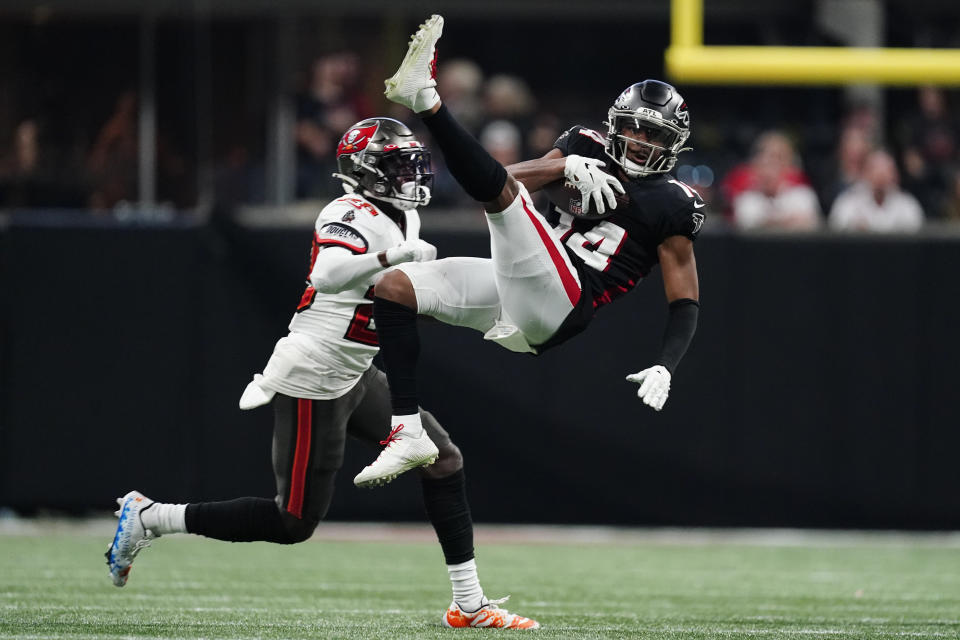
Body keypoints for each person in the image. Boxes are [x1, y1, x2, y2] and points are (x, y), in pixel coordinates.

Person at [104, 117, 539, 631]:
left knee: (443, 460)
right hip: (318, 374)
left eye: (411, 164)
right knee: (292, 521)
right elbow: (326, 273)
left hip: (357, 369)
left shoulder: (401, 214)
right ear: (365, 171)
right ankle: (150, 517)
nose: (409, 176)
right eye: (397, 166)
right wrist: (392, 254)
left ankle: (468, 604)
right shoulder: (348, 210)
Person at [352, 15, 704, 491]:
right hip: (519, 284)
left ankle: (427, 102)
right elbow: (509, 174)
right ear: (615, 125)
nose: (642, 142)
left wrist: (667, 363)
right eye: (635, 129)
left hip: (565, 302)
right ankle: (407, 429)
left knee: (504, 203)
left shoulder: (675, 203)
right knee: (394, 289)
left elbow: (684, 297)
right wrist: (568, 165)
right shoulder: (584, 145)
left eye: (654, 136)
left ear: (673, 144)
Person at [729, 131, 821, 231]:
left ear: (789, 165)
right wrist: (785, 221)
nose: (769, 169)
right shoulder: (747, 198)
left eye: (776, 160)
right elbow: (747, 221)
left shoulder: (802, 195)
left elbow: (807, 224)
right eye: (764, 161)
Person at [828, 149, 924, 233]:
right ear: (864, 173)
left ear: (895, 175)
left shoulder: (908, 205)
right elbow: (836, 229)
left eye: (886, 171)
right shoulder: (847, 203)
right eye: (875, 170)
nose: (880, 177)